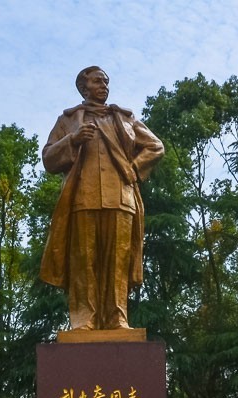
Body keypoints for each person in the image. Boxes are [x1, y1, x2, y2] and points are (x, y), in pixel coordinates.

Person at [40, 66, 164, 331]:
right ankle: (85, 319)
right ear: (84, 88)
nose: (104, 86)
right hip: (83, 199)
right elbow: (49, 159)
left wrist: (134, 168)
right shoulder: (68, 121)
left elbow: (155, 146)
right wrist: (72, 140)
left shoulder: (125, 118)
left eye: (106, 82)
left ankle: (117, 318)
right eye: (98, 81)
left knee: (117, 262)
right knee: (84, 262)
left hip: (121, 198)